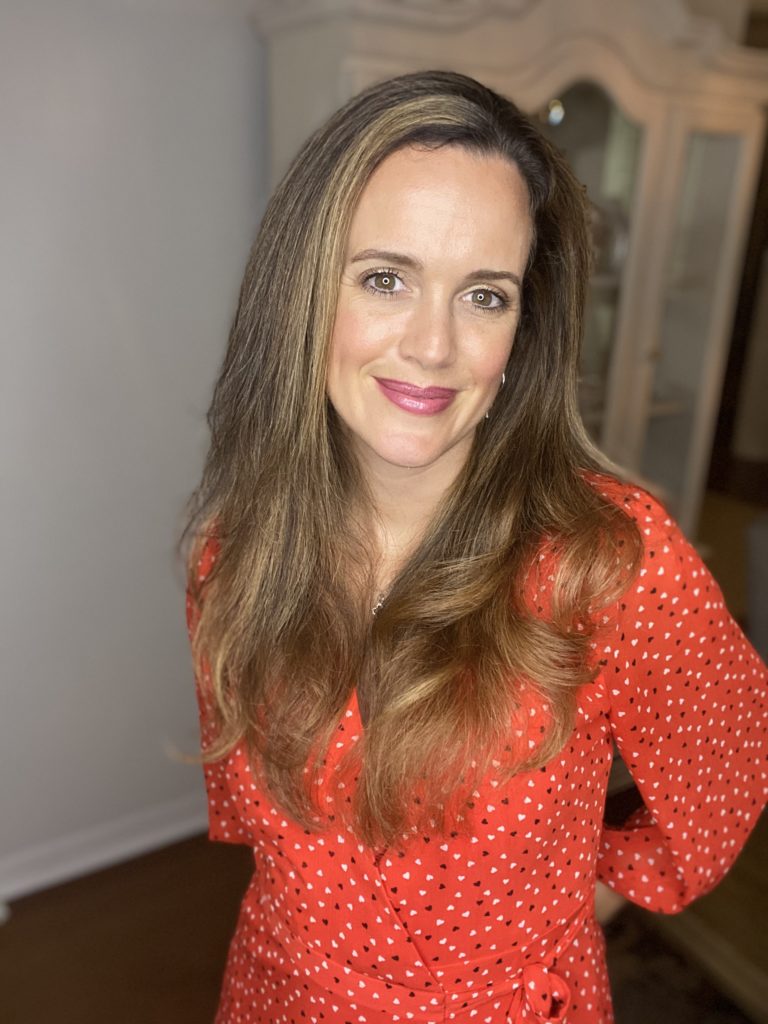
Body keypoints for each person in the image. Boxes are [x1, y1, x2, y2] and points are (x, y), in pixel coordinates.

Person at [184, 71, 768, 1024]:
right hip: (275, 992)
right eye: (385, 279)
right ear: (304, 292)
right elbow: (253, 817)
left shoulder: (607, 561)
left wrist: (568, 911)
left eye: (484, 296)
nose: (433, 344)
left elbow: (726, 773)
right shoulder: (233, 552)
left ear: (522, 330)